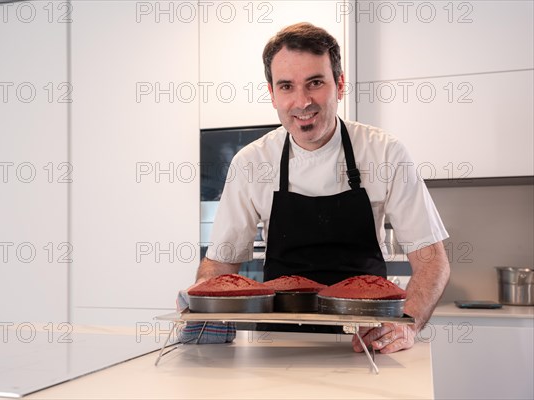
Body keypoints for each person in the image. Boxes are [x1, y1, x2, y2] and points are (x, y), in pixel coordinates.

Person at [187, 22, 450, 353]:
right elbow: (221, 265)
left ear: (339, 85)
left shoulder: (385, 152)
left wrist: (407, 324)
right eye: (286, 87)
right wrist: (200, 297)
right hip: (278, 341)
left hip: (366, 341)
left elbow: (432, 261)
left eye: (315, 83)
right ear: (272, 94)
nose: (301, 102)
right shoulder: (252, 162)